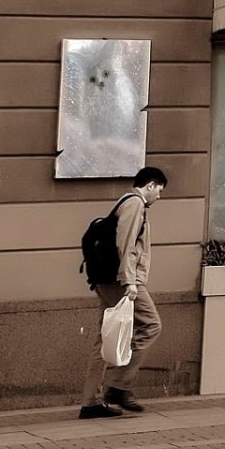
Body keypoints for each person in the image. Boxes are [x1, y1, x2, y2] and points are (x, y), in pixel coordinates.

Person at [81, 166, 166, 419]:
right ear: (150, 185)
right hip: (121, 281)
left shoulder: (123, 203)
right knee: (151, 325)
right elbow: (126, 244)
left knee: (103, 340)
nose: (159, 196)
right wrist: (130, 282)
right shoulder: (135, 204)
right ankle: (118, 386)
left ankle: (90, 403)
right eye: (159, 190)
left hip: (106, 280)